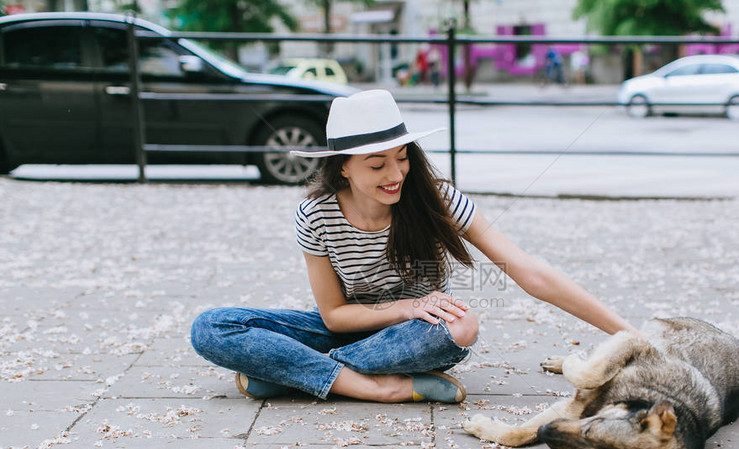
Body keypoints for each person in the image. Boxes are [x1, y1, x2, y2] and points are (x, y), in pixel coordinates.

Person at [190, 90, 638, 405]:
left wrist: (630, 336)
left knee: (461, 326)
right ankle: (375, 387)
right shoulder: (316, 215)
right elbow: (333, 316)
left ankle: (293, 374)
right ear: (343, 167)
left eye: (402, 157)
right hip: (354, 328)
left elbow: (528, 270)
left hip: (412, 338)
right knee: (212, 326)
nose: (396, 173)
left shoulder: (434, 199)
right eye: (377, 163)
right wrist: (406, 305)